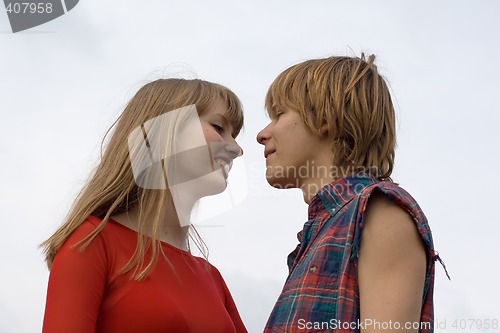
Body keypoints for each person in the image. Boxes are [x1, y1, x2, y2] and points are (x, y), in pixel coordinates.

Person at [257, 54, 447, 332]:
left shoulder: (380, 212)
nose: (262, 134)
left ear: (325, 118)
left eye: (279, 114)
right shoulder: (322, 231)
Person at [41, 78, 248, 333]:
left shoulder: (213, 278)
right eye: (218, 127)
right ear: (161, 132)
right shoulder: (91, 242)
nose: (237, 149)